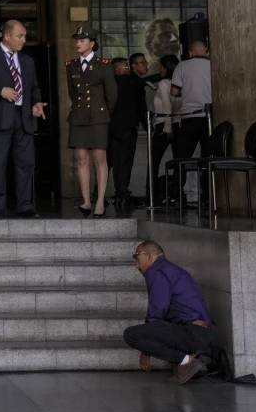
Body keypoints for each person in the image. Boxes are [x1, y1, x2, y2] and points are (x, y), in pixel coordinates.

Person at [0, 19, 47, 218]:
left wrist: (37, 103)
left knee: (26, 164)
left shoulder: (28, 61)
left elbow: (34, 88)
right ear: (7, 36)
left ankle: (25, 206)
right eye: (20, 36)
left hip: (24, 118)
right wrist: (0, 91)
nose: (24, 40)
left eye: (25, 36)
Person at [122, 240, 219, 385]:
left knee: (131, 334)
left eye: (137, 258)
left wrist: (146, 350)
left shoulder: (156, 271)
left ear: (149, 256)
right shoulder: (169, 269)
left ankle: (187, 361)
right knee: (160, 329)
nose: (136, 265)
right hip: (200, 331)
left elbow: (157, 309)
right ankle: (187, 362)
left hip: (192, 333)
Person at [65, 25, 116, 217]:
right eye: (76, 40)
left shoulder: (104, 64)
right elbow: (72, 93)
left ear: (92, 43)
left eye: (82, 40)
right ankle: (86, 201)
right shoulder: (71, 66)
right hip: (78, 117)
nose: (78, 43)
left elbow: (112, 96)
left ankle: (100, 201)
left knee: (100, 159)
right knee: (81, 159)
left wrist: (102, 114)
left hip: (98, 117)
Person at [169, 40, 213, 207]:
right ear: (206, 52)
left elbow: (174, 92)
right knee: (208, 158)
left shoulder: (182, 66)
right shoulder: (212, 65)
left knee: (182, 158)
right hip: (209, 118)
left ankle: (175, 196)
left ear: (190, 53)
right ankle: (208, 196)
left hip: (189, 118)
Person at [108, 54, 148, 215]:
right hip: (128, 127)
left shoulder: (108, 84)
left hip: (110, 128)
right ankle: (122, 192)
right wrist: (147, 125)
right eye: (125, 65)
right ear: (119, 68)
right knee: (125, 162)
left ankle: (102, 192)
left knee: (110, 161)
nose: (127, 67)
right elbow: (141, 107)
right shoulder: (135, 83)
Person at [149, 54, 181, 204]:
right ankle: (175, 195)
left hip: (164, 124)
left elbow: (167, 106)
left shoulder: (163, 83)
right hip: (179, 123)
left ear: (166, 67)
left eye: (161, 66)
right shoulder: (180, 83)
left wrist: (167, 127)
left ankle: (153, 197)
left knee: (153, 162)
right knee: (180, 162)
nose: (159, 69)